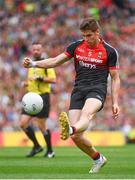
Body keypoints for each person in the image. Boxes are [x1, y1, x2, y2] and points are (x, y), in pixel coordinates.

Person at [23, 18, 120, 173]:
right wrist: (33, 64)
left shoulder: (109, 51)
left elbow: (115, 77)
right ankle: (98, 158)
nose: (86, 39)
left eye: (89, 35)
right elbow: (55, 61)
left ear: (97, 33)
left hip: (97, 90)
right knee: (76, 137)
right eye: (83, 36)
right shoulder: (76, 46)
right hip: (78, 90)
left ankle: (71, 129)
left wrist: (115, 102)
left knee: (86, 115)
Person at [20, 42, 56, 158]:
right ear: (32, 50)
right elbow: (31, 81)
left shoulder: (46, 63)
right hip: (30, 97)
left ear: (42, 50)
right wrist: (26, 83)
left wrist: (40, 78)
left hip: (42, 97)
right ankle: (37, 146)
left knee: (41, 125)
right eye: (34, 49)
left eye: (38, 49)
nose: (36, 51)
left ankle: (50, 150)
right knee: (23, 123)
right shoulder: (30, 65)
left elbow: (53, 80)